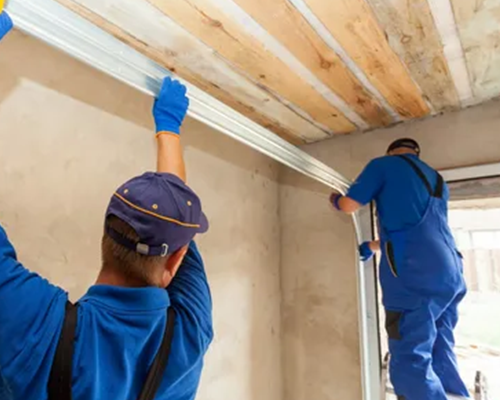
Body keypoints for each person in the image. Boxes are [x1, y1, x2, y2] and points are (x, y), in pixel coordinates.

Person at [0, 23, 213, 399]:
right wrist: (169, 128)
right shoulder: (189, 333)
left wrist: (169, 129)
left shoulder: (39, 328)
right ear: (176, 259)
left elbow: (176, 212)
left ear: (104, 235)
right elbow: (176, 210)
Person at [330, 138, 469, 400]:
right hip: (451, 271)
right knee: (440, 346)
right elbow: (419, 232)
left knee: (410, 359)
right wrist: (372, 245)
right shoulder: (436, 179)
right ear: (416, 154)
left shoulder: (383, 165)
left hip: (416, 279)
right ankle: (455, 394)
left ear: (391, 152)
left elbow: (350, 205)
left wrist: (336, 200)